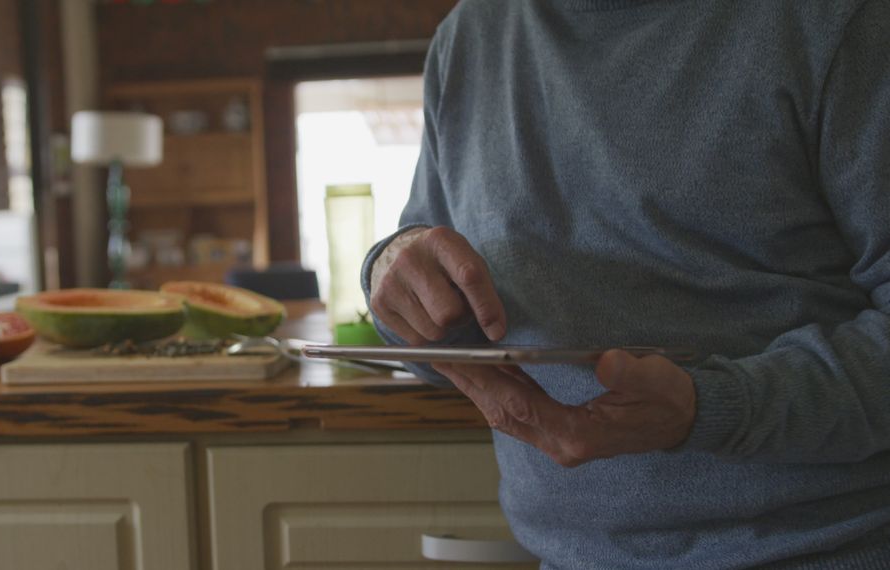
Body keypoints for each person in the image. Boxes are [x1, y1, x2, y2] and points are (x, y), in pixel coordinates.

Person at [362, 1, 890, 568]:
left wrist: (714, 408)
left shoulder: (841, 21)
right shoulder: (468, 36)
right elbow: (429, 327)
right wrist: (386, 272)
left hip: (823, 549)